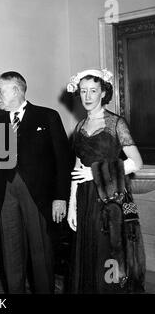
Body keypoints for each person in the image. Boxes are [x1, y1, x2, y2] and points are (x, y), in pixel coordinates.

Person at [0, 71, 71, 294]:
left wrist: (61, 198)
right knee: (10, 254)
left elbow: (63, 161)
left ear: (15, 90)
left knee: (41, 254)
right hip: (5, 197)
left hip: (39, 197)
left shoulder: (47, 116)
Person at [66, 69, 145, 293]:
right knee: (88, 255)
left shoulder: (116, 123)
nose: (87, 96)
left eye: (93, 91)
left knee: (109, 255)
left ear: (103, 93)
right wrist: (72, 206)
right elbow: (77, 168)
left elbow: (136, 162)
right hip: (85, 199)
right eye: (83, 91)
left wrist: (95, 173)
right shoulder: (80, 127)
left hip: (112, 198)